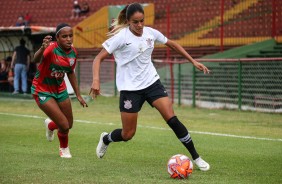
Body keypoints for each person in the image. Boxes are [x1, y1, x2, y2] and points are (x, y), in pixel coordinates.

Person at [89, 3, 211, 171]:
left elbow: (172, 44)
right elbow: (98, 59)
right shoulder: (120, 38)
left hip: (152, 83)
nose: (140, 25)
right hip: (130, 89)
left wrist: (193, 60)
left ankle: (196, 157)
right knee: (128, 134)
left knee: (172, 119)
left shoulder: (150, 33)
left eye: (142, 21)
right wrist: (96, 80)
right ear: (128, 21)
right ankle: (106, 139)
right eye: (135, 22)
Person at [32, 23, 88, 158]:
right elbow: (36, 59)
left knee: (69, 124)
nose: (69, 39)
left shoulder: (73, 52)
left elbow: (70, 73)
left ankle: (51, 125)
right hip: (42, 90)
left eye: (70, 36)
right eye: (64, 36)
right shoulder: (51, 49)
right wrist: (41, 48)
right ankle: (64, 149)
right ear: (57, 38)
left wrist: (78, 95)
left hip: (60, 89)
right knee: (63, 125)